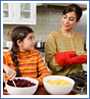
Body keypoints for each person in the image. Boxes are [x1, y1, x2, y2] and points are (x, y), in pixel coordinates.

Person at [45, 4, 87, 75]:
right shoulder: (53, 36)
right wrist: (63, 60)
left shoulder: (80, 37)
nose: (66, 21)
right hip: (61, 79)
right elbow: (50, 65)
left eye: (71, 19)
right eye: (65, 17)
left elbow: (83, 54)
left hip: (79, 76)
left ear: (77, 21)